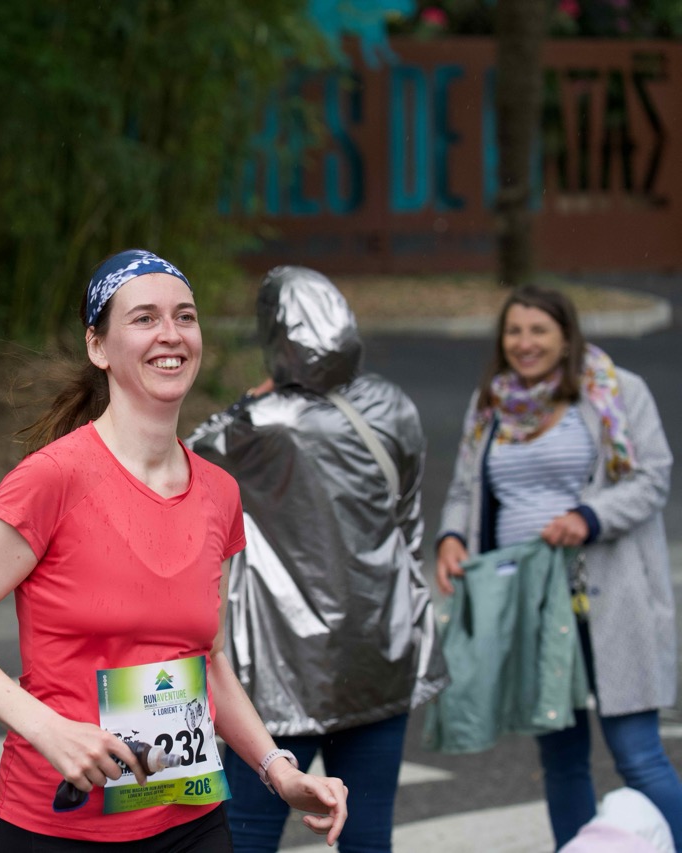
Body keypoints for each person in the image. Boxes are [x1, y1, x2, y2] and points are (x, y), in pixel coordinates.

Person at [0, 250, 348, 850]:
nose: (171, 334)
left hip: (190, 819)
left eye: (185, 316)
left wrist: (277, 769)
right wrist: (48, 729)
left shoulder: (219, 492)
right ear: (99, 346)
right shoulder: (53, 479)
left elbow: (207, 659)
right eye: (144, 318)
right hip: (62, 826)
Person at [186, 266, 445, 853]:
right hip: (381, 649)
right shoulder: (393, 404)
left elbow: (187, 458)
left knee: (249, 830)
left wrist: (249, 399)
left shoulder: (267, 422)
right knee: (367, 832)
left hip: (285, 667)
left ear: (277, 335)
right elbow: (408, 521)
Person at [436, 285, 680, 849]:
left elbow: (653, 477)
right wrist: (450, 536)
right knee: (561, 759)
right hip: (530, 603)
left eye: (539, 330)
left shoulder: (617, 392)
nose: (525, 343)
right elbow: (465, 489)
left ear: (567, 337)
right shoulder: (490, 405)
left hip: (608, 598)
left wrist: (590, 517)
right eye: (514, 331)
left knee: (637, 754)